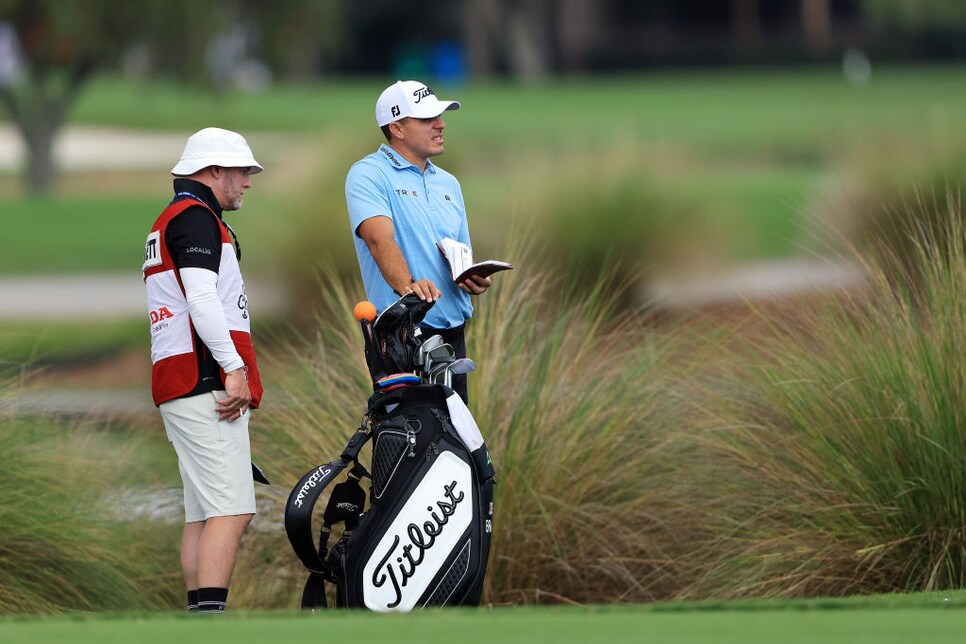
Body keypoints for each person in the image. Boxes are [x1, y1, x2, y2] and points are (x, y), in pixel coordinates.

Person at [142, 127, 264, 614]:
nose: (248, 183)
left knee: (203, 512)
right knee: (232, 511)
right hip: (204, 379)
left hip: (181, 378)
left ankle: (198, 619)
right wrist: (233, 368)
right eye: (242, 172)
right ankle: (211, 623)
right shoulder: (194, 219)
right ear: (213, 171)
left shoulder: (175, 217)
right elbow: (201, 299)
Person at [345, 80, 490, 403]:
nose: (440, 125)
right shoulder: (368, 174)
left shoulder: (448, 183)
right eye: (427, 119)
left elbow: (458, 253)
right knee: (411, 442)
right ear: (396, 127)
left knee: (457, 444)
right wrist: (409, 288)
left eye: (439, 116)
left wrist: (470, 276)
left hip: (453, 333)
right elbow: (379, 241)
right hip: (402, 334)